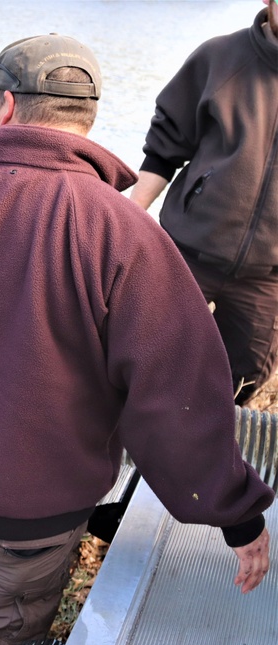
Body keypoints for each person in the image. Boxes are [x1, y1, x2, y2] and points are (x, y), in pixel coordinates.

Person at [0, 33, 274, 645]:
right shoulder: (126, 235)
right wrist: (239, 518)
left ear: (5, 107)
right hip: (26, 515)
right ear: (86, 119)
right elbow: (175, 401)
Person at [130, 0, 278, 405]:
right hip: (185, 256)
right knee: (142, 366)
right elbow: (164, 148)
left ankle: (200, 465)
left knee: (235, 394)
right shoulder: (219, 57)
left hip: (268, 281)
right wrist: (126, 218)